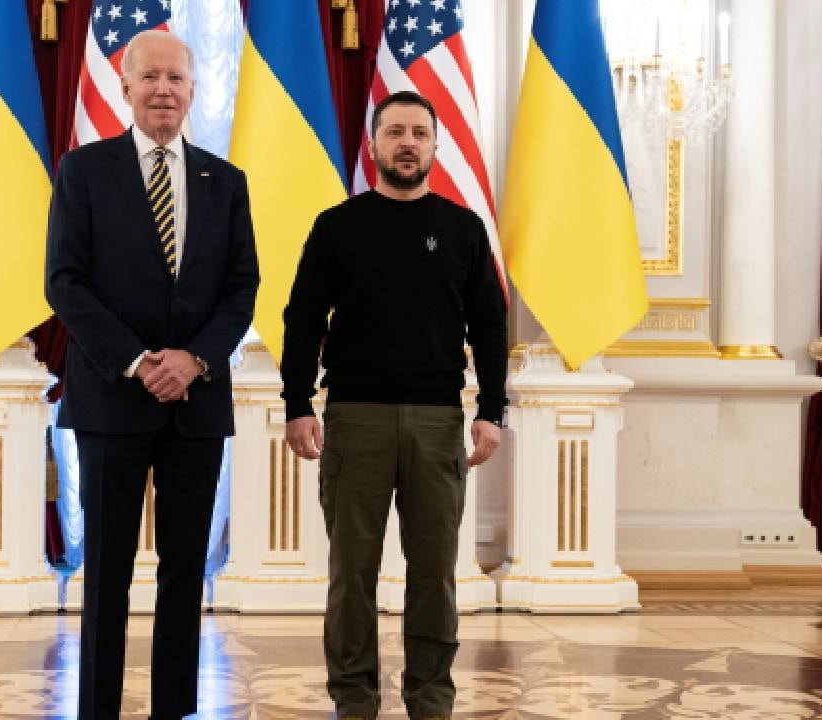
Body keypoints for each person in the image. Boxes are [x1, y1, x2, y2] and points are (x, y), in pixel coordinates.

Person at [44, 30, 259, 720]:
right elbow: (65, 283)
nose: (163, 89)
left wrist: (194, 359)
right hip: (112, 399)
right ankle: (98, 711)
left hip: (197, 403)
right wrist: (140, 361)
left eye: (176, 78)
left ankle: (174, 709)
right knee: (106, 572)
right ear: (126, 88)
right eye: (150, 77)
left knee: (184, 571)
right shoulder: (83, 171)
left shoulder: (226, 182)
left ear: (193, 90)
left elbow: (242, 289)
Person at [281, 90, 508, 720]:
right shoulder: (336, 226)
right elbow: (303, 320)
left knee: (434, 573)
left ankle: (430, 699)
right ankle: (354, 700)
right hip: (354, 420)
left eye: (419, 134)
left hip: (439, 422)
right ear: (374, 144)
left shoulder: (464, 230)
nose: (407, 143)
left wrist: (492, 410)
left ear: (435, 145)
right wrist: (297, 403)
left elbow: (491, 327)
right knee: (351, 573)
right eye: (395, 132)